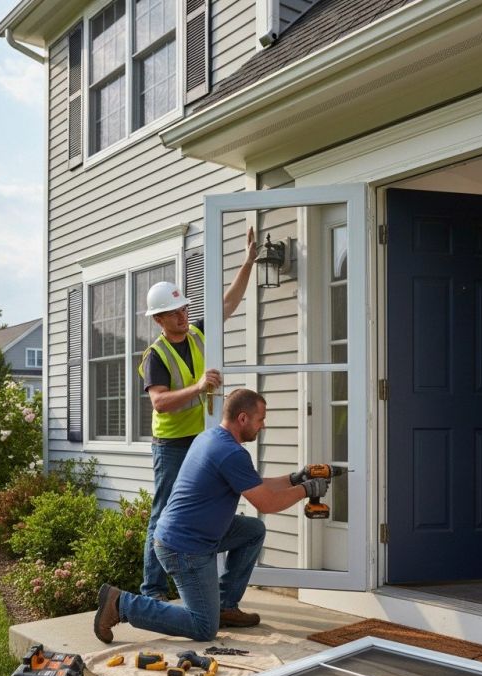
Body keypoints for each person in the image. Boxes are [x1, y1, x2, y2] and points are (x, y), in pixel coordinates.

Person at [93, 388, 329, 643]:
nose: (263, 425)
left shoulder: (211, 438)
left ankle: (225, 606)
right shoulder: (232, 453)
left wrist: (294, 479)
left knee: (253, 531)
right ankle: (121, 604)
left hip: (189, 534)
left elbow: (255, 485)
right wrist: (306, 490)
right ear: (242, 418)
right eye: (260, 419)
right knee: (204, 627)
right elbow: (267, 502)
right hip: (184, 548)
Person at [138, 227, 258, 601]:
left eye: (184, 308)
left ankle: (212, 589)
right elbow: (160, 402)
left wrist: (248, 263)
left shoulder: (199, 333)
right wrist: (199, 387)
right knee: (164, 512)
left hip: (203, 438)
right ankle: (152, 590)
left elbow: (227, 304)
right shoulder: (155, 355)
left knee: (208, 505)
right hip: (173, 444)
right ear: (159, 319)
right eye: (173, 312)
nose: (182, 315)